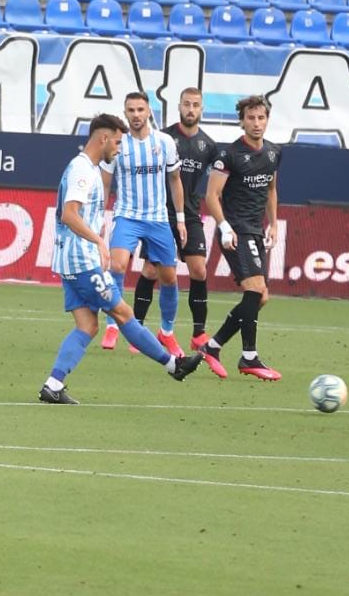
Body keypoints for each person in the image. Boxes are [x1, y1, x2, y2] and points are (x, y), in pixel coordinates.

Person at [39, 112, 204, 404]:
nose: (119, 147)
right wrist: (99, 241)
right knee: (124, 313)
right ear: (103, 138)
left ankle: (53, 385)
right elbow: (69, 213)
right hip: (82, 262)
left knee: (87, 326)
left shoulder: (85, 167)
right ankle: (173, 365)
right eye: (117, 141)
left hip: (68, 261)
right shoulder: (82, 170)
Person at [133, 86, 219, 359]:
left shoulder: (209, 146)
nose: (190, 109)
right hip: (159, 214)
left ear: (201, 109)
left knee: (199, 271)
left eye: (195, 105)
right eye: (186, 104)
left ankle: (198, 332)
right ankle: (136, 330)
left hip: (191, 214)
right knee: (150, 271)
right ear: (179, 106)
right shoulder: (164, 138)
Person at [100, 90, 187, 355]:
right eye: (131, 110)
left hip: (158, 218)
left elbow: (175, 180)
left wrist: (180, 219)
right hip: (127, 215)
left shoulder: (165, 142)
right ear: (125, 113)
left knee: (169, 278)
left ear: (149, 111)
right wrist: (102, 217)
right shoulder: (118, 143)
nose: (136, 115)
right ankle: (113, 324)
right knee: (116, 265)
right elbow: (105, 183)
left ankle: (167, 332)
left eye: (140, 110)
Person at [202, 93, 281, 382]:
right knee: (256, 292)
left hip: (256, 230)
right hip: (235, 229)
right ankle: (249, 356)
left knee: (260, 298)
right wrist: (223, 226)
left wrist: (273, 224)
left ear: (267, 120)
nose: (257, 123)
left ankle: (213, 346)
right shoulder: (229, 155)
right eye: (251, 118)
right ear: (242, 121)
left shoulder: (273, 152)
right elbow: (211, 195)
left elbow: (271, 189)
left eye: (261, 117)